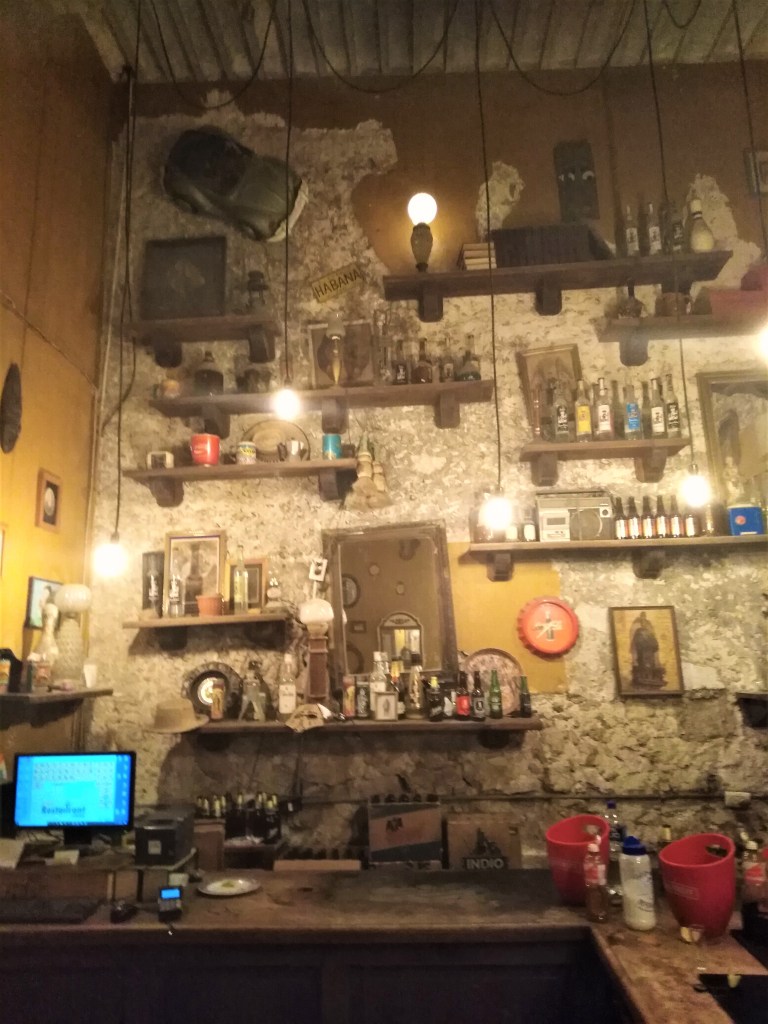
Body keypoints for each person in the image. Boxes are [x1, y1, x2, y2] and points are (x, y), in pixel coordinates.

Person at [629, 611, 666, 689]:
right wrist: (642, 645)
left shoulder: (650, 632)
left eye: (645, 621)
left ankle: (651, 678)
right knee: (643, 664)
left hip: (650, 651)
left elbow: (654, 641)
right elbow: (636, 641)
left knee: (651, 664)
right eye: (642, 621)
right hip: (642, 651)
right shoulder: (639, 631)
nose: (644, 623)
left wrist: (653, 646)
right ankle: (644, 677)